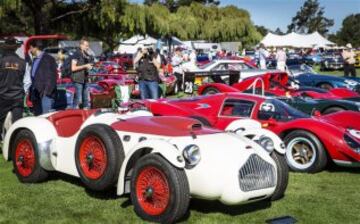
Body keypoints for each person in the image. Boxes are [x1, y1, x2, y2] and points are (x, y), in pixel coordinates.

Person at [0, 37, 26, 140]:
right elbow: (27, 82)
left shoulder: (1, 61)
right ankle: (16, 142)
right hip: (17, 97)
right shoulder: (23, 62)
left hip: (2, 96)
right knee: (17, 122)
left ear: (5, 48)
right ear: (15, 48)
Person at [29, 40, 57, 115]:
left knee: (45, 118)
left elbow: (52, 77)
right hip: (36, 94)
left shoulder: (48, 59)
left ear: (34, 48)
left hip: (46, 95)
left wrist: (46, 92)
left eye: (30, 48)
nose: (30, 50)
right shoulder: (35, 60)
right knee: (38, 118)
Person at [71, 37, 93, 109]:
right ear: (81, 45)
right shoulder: (76, 54)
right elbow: (73, 68)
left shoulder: (86, 54)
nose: (87, 47)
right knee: (78, 100)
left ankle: (85, 114)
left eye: (88, 45)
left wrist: (90, 67)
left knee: (86, 100)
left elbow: (87, 67)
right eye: (86, 45)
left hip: (85, 79)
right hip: (78, 80)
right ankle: (75, 115)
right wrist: (85, 66)